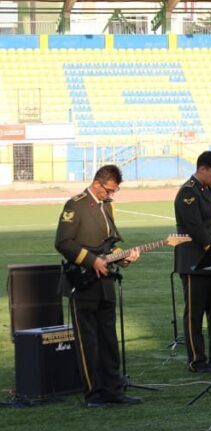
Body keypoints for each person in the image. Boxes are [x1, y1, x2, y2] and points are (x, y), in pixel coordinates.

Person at [54, 165, 141, 408]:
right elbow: (63, 242)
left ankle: (114, 390)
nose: (111, 195)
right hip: (83, 281)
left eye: (114, 191)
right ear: (97, 184)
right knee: (88, 341)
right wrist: (92, 261)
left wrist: (121, 257)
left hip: (105, 283)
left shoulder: (107, 206)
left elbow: (109, 243)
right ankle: (93, 395)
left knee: (109, 340)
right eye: (109, 190)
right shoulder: (76, 205)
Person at [175, 150, 211, 373]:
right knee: (194, 315)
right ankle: (197, 361)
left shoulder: (208, 190)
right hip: (194, 263)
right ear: (202, 169)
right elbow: (194, 227)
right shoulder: (188, 193)